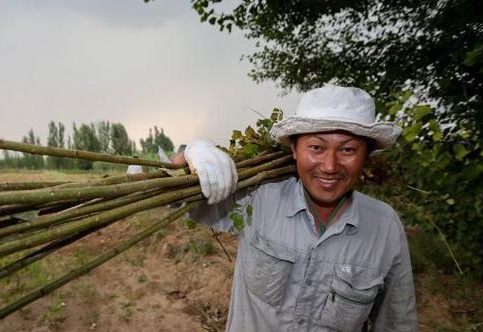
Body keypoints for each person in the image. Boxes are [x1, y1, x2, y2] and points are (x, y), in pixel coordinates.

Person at [176, 86, 417, 331]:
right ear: (294, 149)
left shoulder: (384, 227)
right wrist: (191, 153)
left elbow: (397, 323)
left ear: (366, 156)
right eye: (316, 147)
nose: (330, 166)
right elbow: (176, 197)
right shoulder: (258, 196)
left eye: (348, 150)